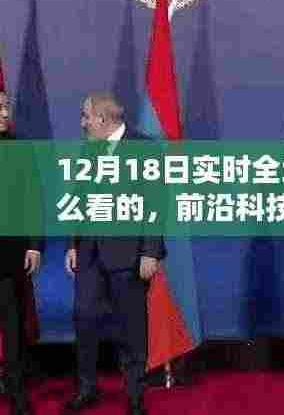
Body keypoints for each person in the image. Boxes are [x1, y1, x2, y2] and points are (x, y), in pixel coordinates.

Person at [64, 92, 166, 415]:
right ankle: (87, 388)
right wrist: (72, 244)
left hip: (129, 255)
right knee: (83, 317)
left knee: (131, 327)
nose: (82, 123)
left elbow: (156, 202)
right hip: (90, 253)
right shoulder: (89, 148)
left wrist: (151, 252)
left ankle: (135, 396)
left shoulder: (145, 148)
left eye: (86, 116)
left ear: (102, 120)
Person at [0, 90, 42, 415]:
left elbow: (33, 200)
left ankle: (17, 391)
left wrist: (34, 244)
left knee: (13, 325)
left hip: (9, 254)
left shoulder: (20, 149)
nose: (5, 112)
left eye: (5, 106)